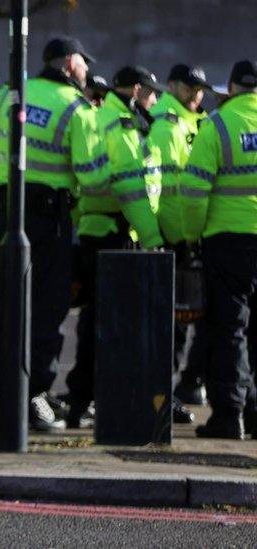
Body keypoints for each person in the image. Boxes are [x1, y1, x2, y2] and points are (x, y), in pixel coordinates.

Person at [0, 36, 107, 431]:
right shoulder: (76, 108)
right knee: (46, 309)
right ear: (69, 63)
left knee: (1, 305)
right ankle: (32, 396)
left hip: (3, 211)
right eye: (83, 63)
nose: (85, 70)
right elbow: (94, 176)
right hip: (48, 221)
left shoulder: (9, 94)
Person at [64, 65, 166, 427]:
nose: (155, 101)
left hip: (103, 230)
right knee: (108, 324)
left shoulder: (109, 117)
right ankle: (92, 401)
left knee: (98, 320)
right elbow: (129, 187)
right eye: (152, 93)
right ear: (137, 91)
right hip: (114, 233)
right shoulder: (119, 122)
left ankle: (84, 400)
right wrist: (153, 238)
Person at [181, 60, 257, 440]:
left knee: (229, 330)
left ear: (230, 87)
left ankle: (230, 415)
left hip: (227, 242)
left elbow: (194, 194)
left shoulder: (218, 125)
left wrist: (193, 235)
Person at [150, 64, 212, 421]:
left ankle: (178, 387)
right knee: (172, 323)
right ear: (172, 86)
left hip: (192, 234)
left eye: (200, 88)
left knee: (186, 321)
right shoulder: (168, 125)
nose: (197, 94)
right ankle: (164, 395)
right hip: (176, 237)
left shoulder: (195, 124)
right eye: (190, 88)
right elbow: (171, 194)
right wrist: (182, 238)